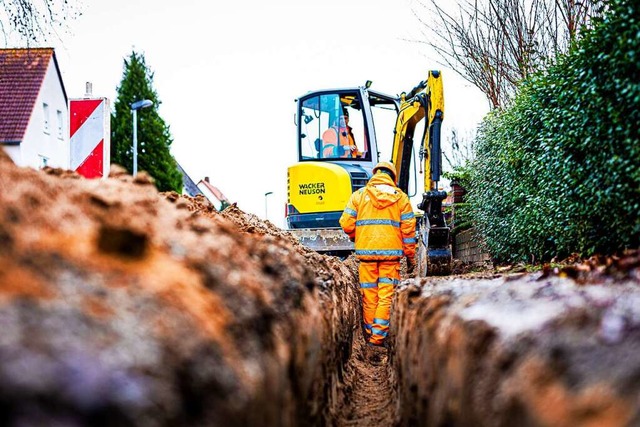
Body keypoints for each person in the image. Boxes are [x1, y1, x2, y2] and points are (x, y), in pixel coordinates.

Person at [339, 161, 416, 361]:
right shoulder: (401, 199)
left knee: (369, 296)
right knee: (386, 297)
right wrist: (410, 256)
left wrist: (359, 235)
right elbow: (408, 232)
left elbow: (346, 223)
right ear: (392, 176)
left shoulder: (359, 196)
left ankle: (370, 335)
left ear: (375, 174)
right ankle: (377, 339)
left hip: (366, 256)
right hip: (391, 257)